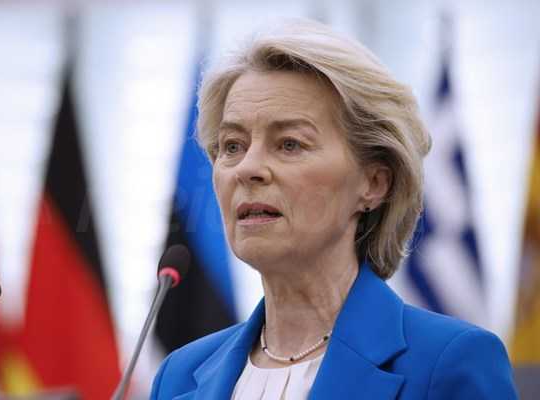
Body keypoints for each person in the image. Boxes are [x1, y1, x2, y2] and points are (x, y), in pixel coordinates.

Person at [150, 18, 517, 399]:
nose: (247, 169)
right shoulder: (179, 376)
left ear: (374, 183)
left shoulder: (448, 362)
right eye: (232, 146)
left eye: (289, 144)